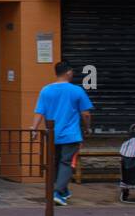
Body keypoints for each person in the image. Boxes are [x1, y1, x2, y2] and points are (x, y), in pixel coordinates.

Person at [31, 62, 94, 205]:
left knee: (55, 163)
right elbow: (86, 114)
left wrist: (34, 129)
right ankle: (57, 193)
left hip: (52, 134)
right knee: (66, 163)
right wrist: (88, 128)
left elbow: (39, 112)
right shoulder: (77, 90)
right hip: (71, 135)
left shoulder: (45, 90)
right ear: (69, 72)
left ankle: (63, 190)